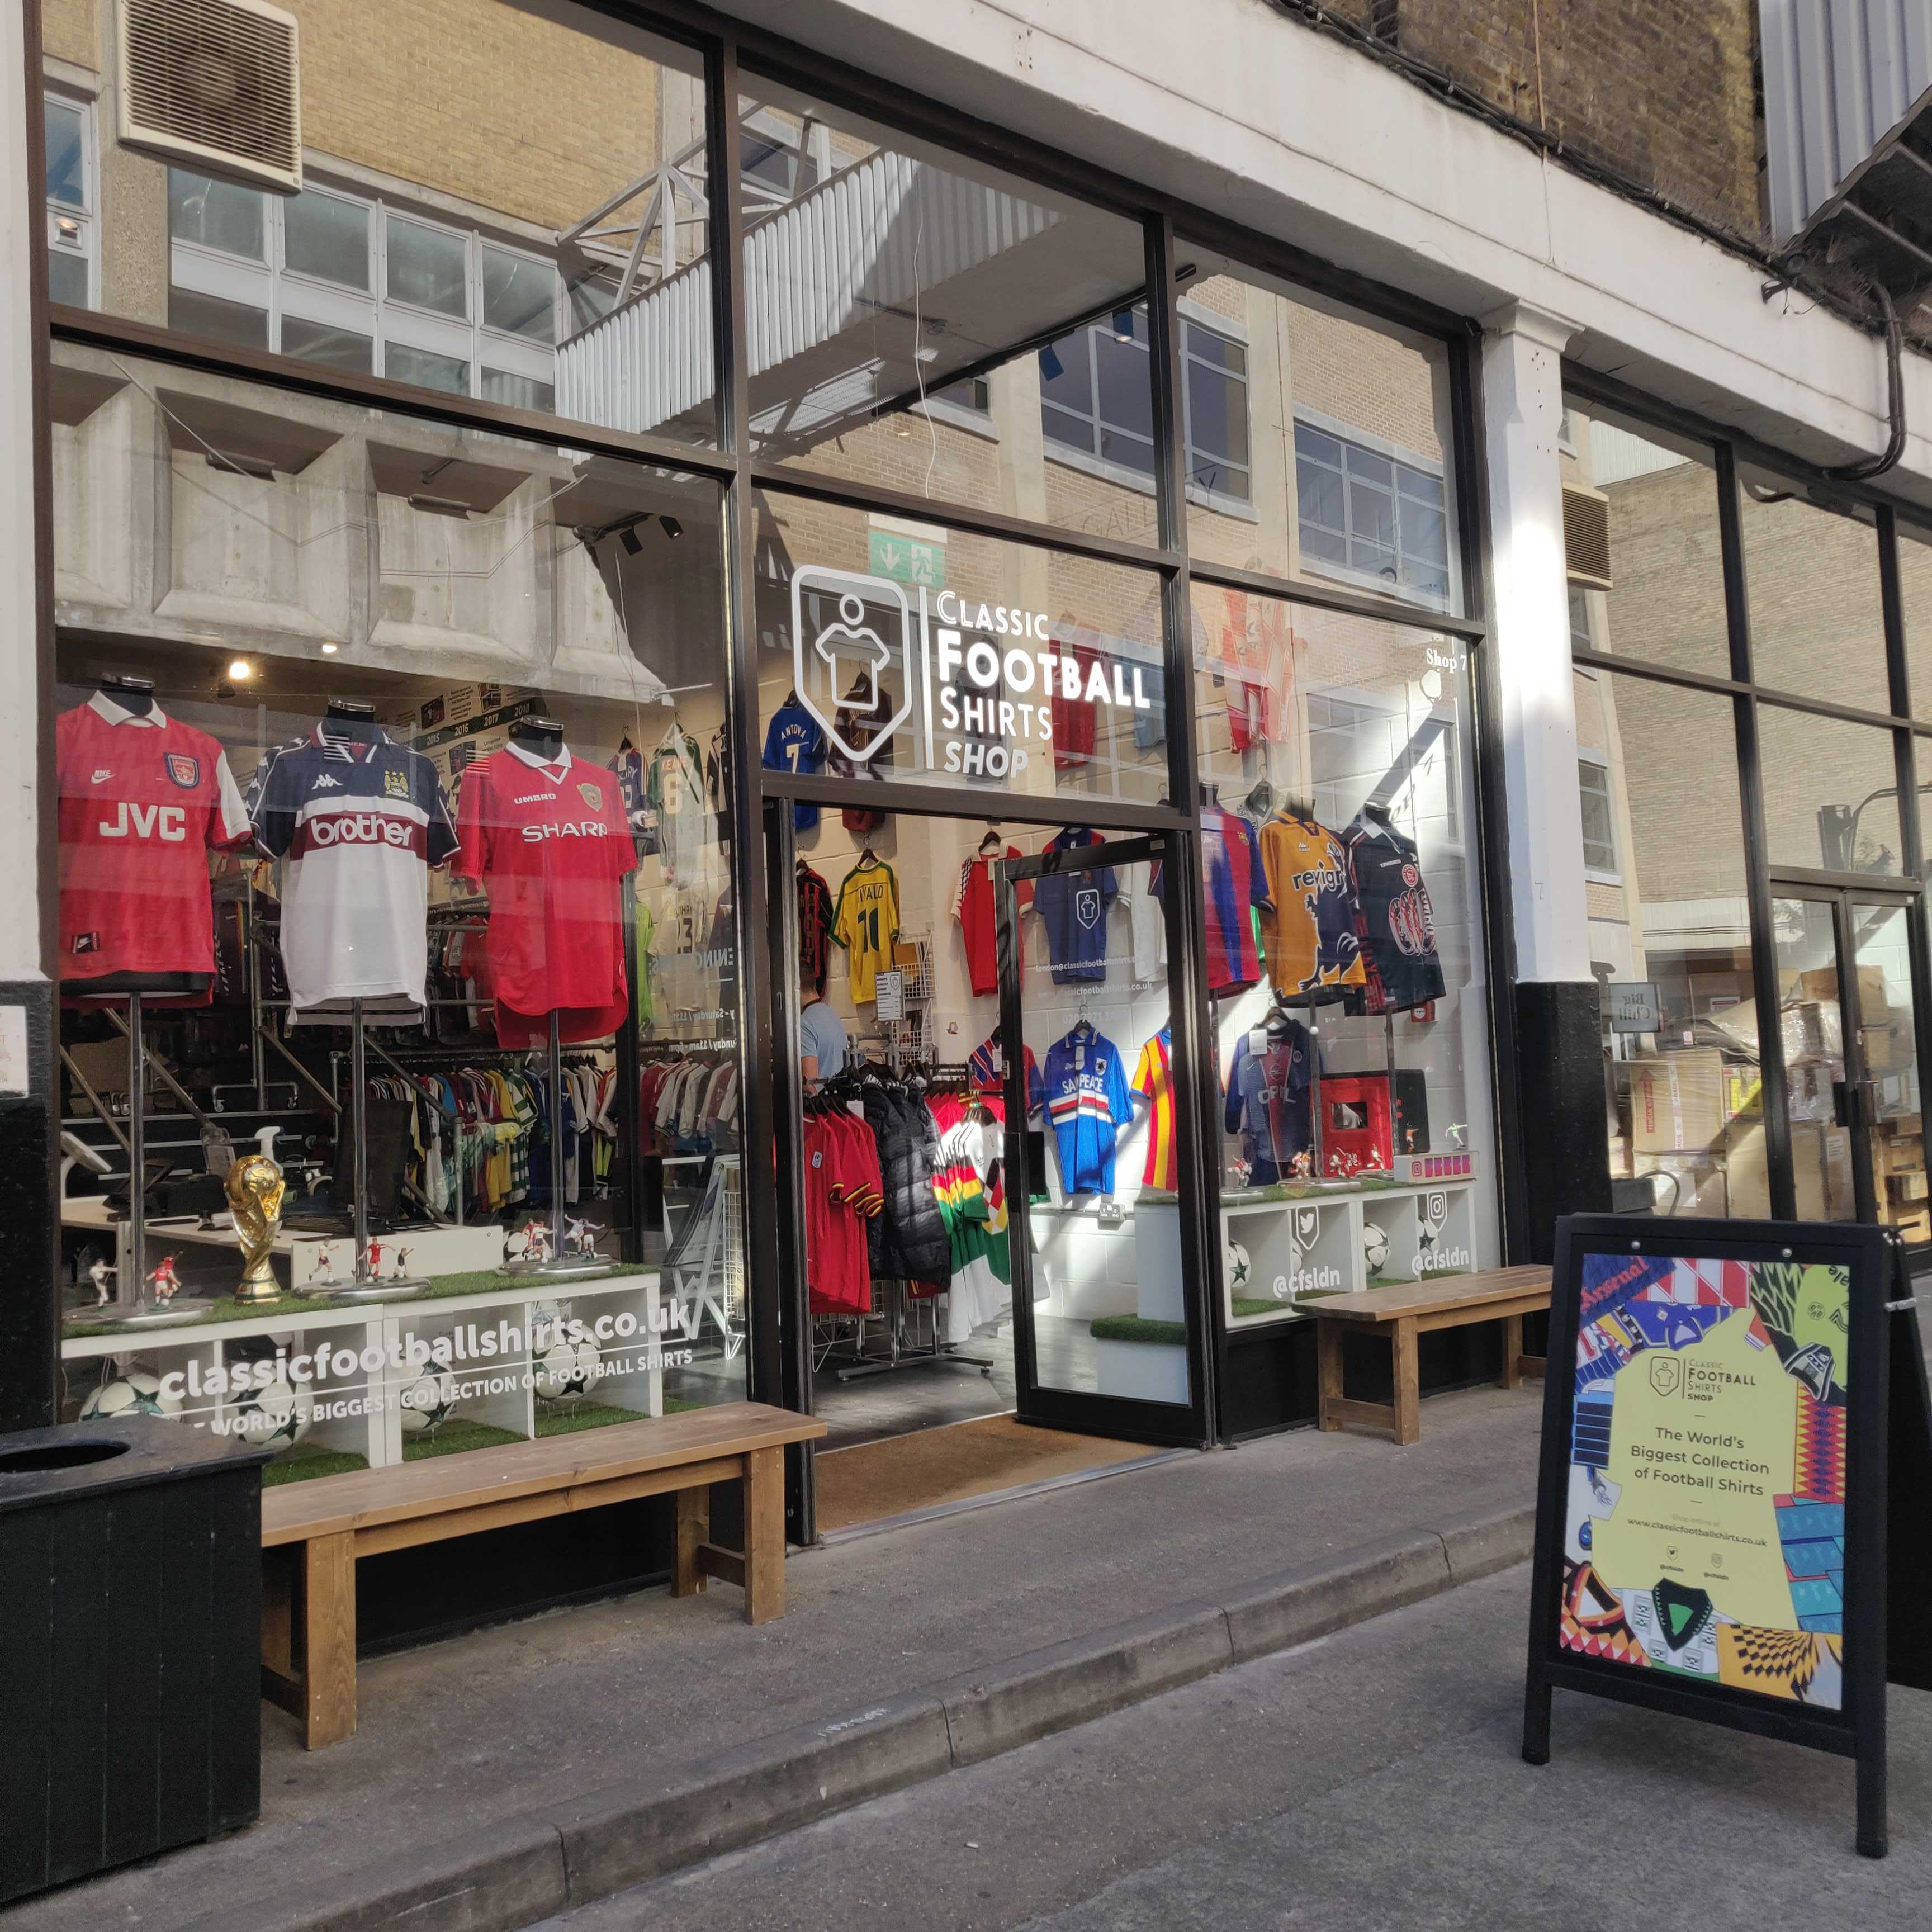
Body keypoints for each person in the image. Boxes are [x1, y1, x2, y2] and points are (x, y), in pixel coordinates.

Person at [799, 962, 849, 1088]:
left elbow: (810, 1086)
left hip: (820, 1104)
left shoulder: (804, 1024)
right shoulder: (832, 1014)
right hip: (838, 1101)